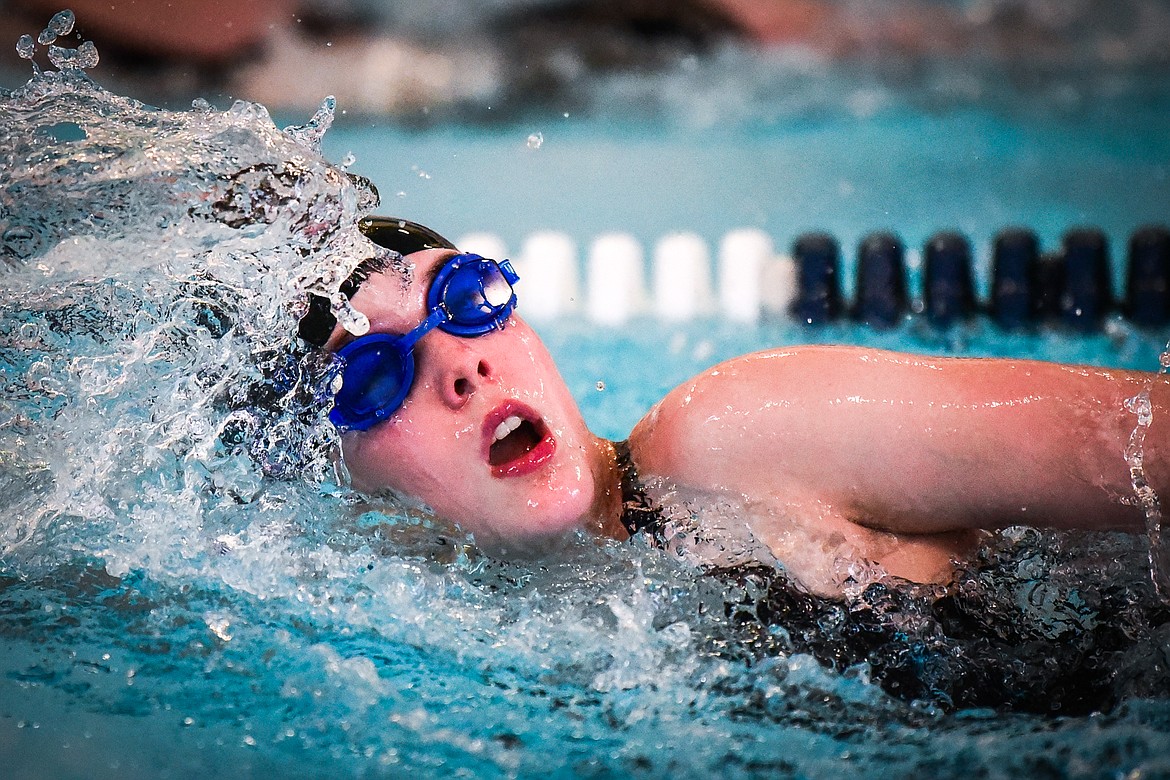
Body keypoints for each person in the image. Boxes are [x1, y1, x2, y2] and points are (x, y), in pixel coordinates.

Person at [300, 216, 1169, 599]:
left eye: (463, 295)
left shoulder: (730, 440)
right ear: (330, 474)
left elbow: (1147, 445)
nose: (461, 366)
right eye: (373, 375)